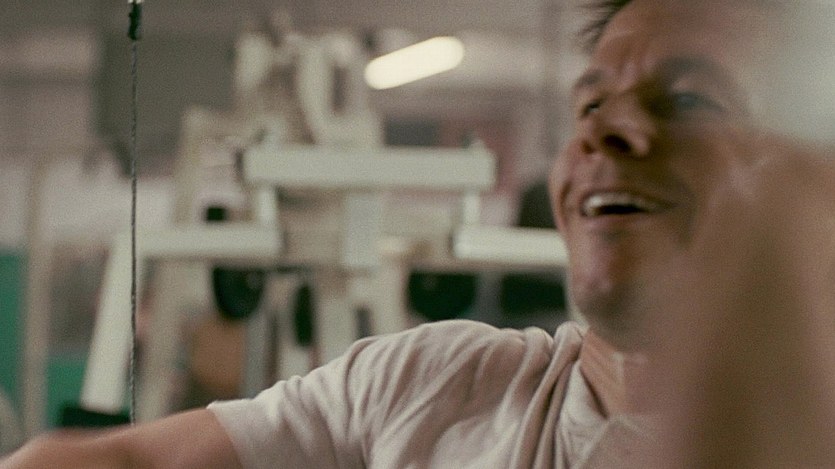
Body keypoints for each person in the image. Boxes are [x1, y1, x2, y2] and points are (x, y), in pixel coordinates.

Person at [3, 0, 835, 467]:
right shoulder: (431, 384)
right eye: (588, 103)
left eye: (687, 101)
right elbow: (132, 464)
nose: (602, 130)